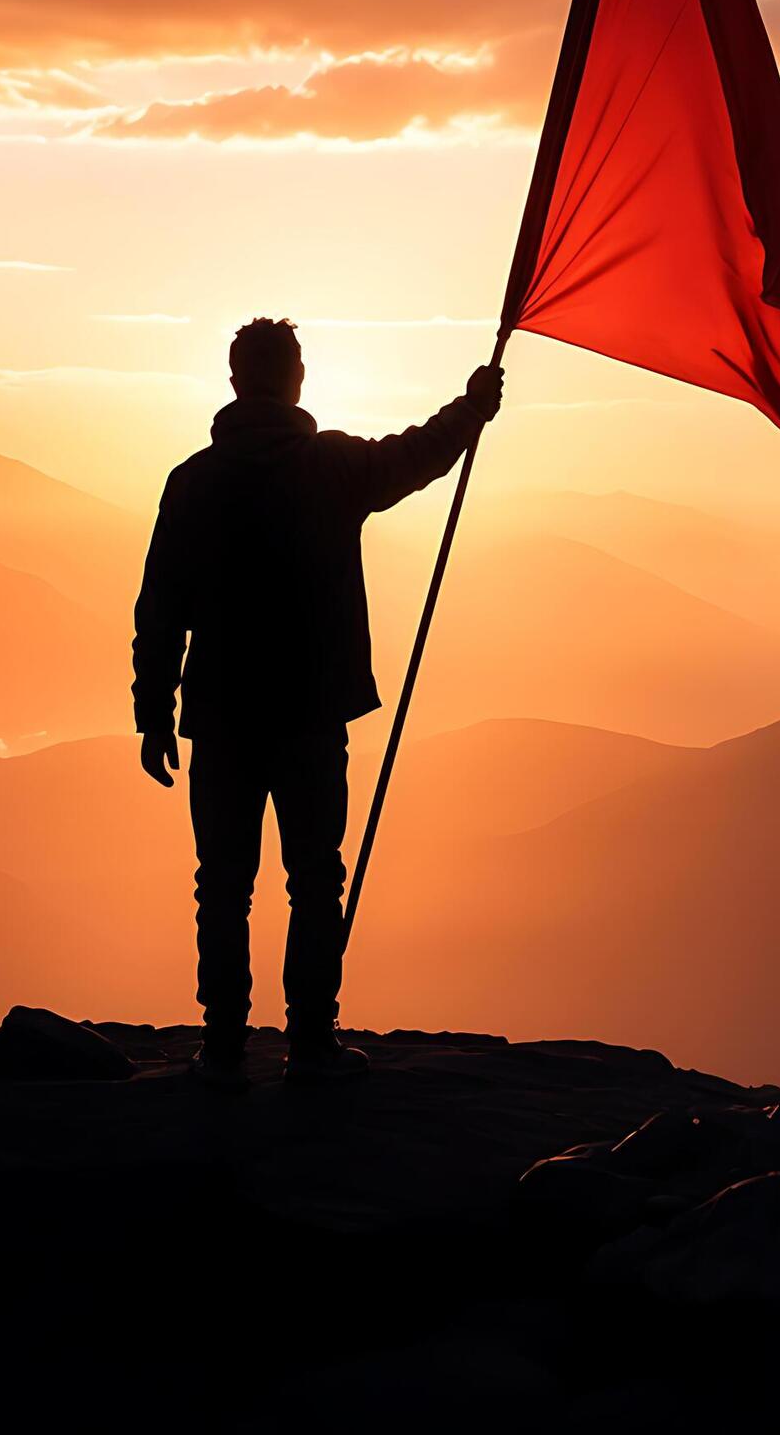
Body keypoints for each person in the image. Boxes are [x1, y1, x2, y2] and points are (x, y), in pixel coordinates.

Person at [131, 318, 501, 1089]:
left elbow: (160, 609)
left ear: (235, 382)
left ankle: (223, 1047)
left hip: (222, 720)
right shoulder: (332, 468)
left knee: (222, 885)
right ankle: (310, 1041)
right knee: (315, 879)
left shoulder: (192, 482)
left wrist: (153, 713)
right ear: (297, 379)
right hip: (309, 714)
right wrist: (471, 408)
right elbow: (419, 455)